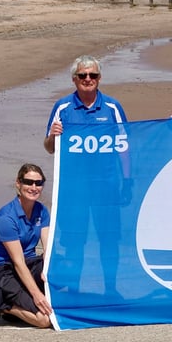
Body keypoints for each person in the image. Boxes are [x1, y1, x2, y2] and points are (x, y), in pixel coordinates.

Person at [44, 55, 130, 297]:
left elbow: (125, 146)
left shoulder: (113, 108)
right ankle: (74, 291)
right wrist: (52, 135)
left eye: (92, 75)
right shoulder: (62, 108)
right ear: (75, 79)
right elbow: (49, 147)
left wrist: (128, 181)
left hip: (107, 186)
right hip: (74, 189)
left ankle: (111, 290)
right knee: (74, 241)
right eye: (83, 76)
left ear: (99, 78)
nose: (88, 79)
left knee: (109, 241)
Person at [0, 163, 52, 328]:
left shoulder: (42, 211)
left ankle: (22, 300)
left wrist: (50, 274)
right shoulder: (6, 218)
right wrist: (37, 295)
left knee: (60, 266)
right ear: (18, 184)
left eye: (38, 183)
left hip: (29, 264)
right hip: (5, 272)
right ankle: (1, 305)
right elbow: (18, 262)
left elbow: (47, 251)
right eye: (28, 182)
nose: (34, 187)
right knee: (44, 320)